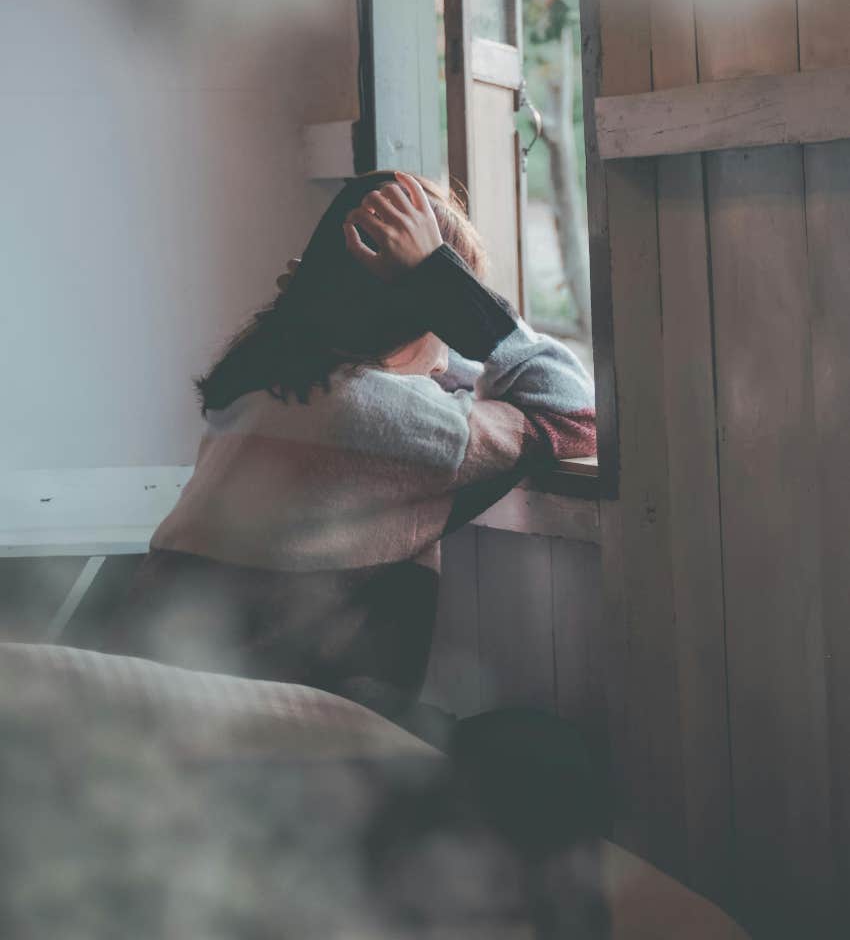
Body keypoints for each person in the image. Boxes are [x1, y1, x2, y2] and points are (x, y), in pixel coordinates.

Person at [101, 169, 596, 734]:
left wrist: (370, 304)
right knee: (549, 758)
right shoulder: (381, 418)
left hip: (144, 704)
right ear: (427, 312)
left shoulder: (263, 385)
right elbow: (573, 411)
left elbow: (422, 382)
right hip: (261, 737)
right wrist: (448, 287)